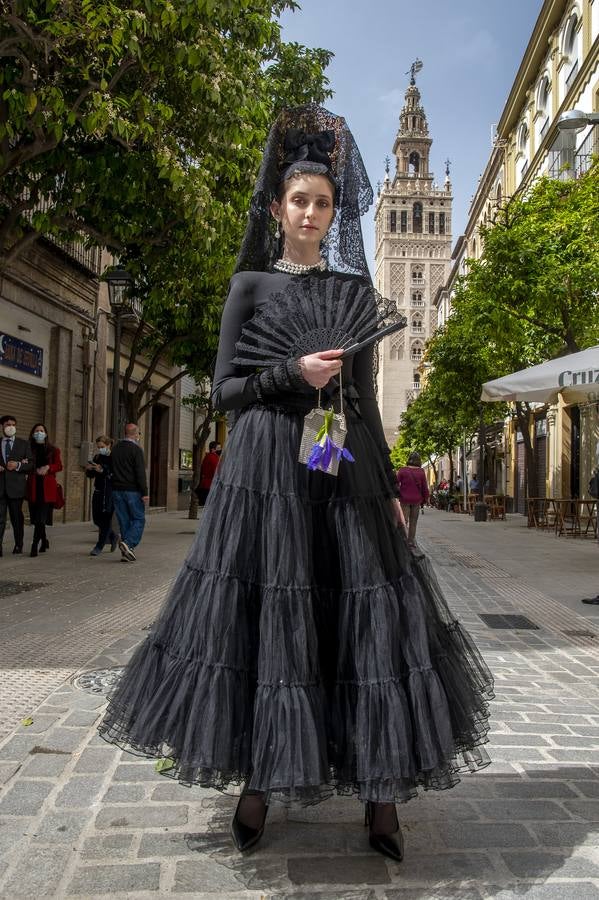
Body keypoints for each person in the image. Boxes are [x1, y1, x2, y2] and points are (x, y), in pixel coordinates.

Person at [99, 104, 493, 861]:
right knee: (267, 625)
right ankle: (257, 784)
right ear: (277, 207)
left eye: (322, 203)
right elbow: (223, 390)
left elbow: (366, 414)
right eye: (298, 201)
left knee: (363, 626)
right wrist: (290, 370)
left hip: (339, 474)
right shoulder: (248, 286)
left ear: (333, 212)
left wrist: (388, 496)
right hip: (261, 476)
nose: (310, 214)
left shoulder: (351, 293)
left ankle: (381, 799)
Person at [110, 423, 148, 562]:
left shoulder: (115, 449)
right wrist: (144, 492)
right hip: (133, 490)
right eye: (139, 434)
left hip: (117, 490)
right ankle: (129, 543)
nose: (139, 436)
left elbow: (111, 469)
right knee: (139, 519)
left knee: (124, 520)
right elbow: (140, 473)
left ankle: (127, 552)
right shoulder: (136, 449)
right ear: (135, 434)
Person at [26, 424, 63, 557]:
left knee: (41, 519)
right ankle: (44, 539)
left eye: (41, 431)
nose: (39, 433)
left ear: (46, 434)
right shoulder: (28, 448)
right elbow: (25, 464)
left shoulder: (53, 449)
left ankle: (34, 545)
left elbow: (59, 466)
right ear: (32, 433)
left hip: (47, 488)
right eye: (36, 431)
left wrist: (48, 467)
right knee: (36, 519)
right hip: (33, 486)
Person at [0, 414, 34, 556]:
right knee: (0, 518)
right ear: (2, 427)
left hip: (16, 488)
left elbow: (31, 464)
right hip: (0, 488)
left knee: (16, 518)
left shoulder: (23, 444)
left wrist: (19, 465)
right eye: (8, 424)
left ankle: (19, 544)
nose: (11, 427)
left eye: (13, 424)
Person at [85, 435, 118, 556]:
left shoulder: (115, 458)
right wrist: (89, 469)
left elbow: (116, 475)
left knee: (106, 520)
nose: (100, 449)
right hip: (98, 491)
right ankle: (113, 536)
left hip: (109, 493)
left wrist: (103, 471)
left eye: (102, 447)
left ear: (109, 445)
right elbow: (90, 475)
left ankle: (99, 546)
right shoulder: (97, 457)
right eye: (98, 447)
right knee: (97, 519)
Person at [396, 451, 429, 550]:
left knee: (403, 521)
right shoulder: (421, 472)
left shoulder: (402, 470)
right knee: (413, 522)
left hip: (404, 499)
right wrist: (425, 499)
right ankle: (410, 542)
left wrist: (398, 494)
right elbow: (424, 488)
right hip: (416, 500)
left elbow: (396, 484)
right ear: (419, 460)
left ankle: (402, 540)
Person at [194, 441, 221, 506]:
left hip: (205, 484)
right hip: (210, 485)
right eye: (219, 448)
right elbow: (216, 471)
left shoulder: (207, 456)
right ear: (213, 449)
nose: (220, 449)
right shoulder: (214, 457)